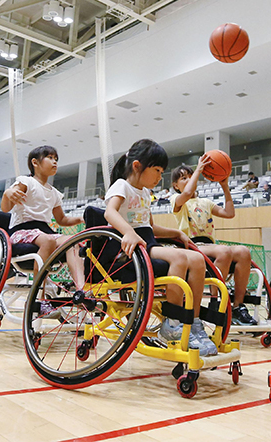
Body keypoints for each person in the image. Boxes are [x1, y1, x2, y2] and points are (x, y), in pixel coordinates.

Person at [104, 139, 217, 355]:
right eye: (156, 170)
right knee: (180, 258)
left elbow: (151, 227)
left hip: (146, 243)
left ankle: (192, 321)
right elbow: (110, 213)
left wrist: (176, 232)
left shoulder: (146, 193)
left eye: (161, 171)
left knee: (197, 259)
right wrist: (128, 232)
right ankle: (172, 323)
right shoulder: (122, 185)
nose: (159, 176)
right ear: (137, 166)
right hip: (126, 250)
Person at [169, 159, 258, 326]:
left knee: (244, 252)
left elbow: (229, 213)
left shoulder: (206, 203)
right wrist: (197, 170)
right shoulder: (176, 199)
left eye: (190, 176)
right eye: (184, 178)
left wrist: (224, 186)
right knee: (224, 251)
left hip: (210, 246)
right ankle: (216, 302)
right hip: (191, 247)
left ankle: (238, 307)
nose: (189, 180)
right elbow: (187, 193)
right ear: (175, 185)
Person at [0, 145, 85, 288]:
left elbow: (62, 220)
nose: (55, 162)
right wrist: (7, 193)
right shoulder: (26, 182)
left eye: (56, 159)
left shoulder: (55, 193)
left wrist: (80, 219)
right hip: (20, 231)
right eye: (50, 158)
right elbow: (5, 208)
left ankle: (81, 289)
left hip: (44, 231)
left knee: (72, 242)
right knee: (48, 240)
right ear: (35, 163)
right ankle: (39, 291)